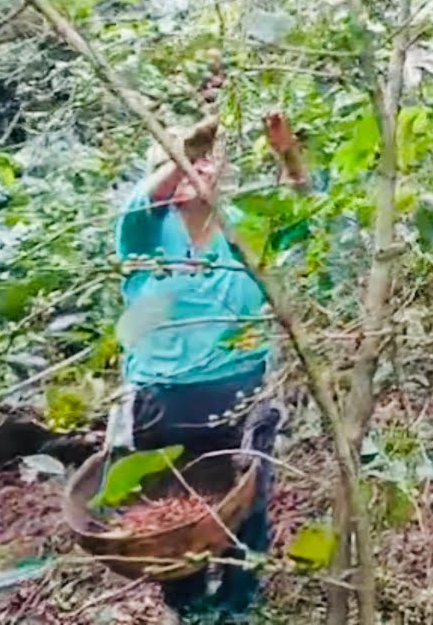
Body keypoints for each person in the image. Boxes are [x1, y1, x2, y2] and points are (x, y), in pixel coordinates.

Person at [105, 112, 308, 624]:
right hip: (163, 398)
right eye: (183, 166)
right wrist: (186, 151)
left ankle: (239, 604)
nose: (199, 171)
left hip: (239, 390)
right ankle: (189, 604)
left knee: (248, 503)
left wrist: (288, 154)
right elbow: (140, 204)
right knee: (171, 511)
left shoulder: (244, 228)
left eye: (206, 163)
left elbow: (303, 212)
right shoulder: (144, 236)